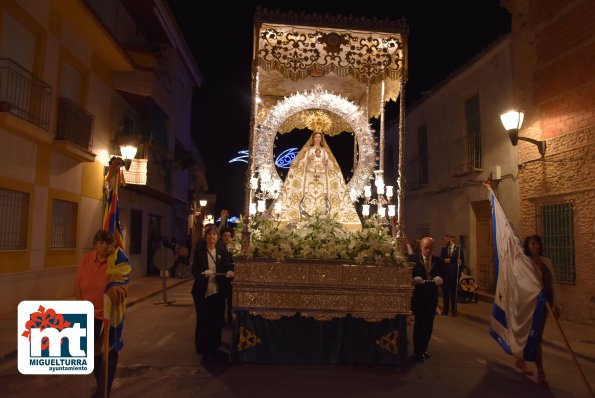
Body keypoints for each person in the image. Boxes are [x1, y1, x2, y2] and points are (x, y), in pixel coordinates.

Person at [272, 111, 360, 230]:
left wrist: (325, 165)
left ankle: (324, 216)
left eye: (319, 137)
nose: (318, 139)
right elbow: (300, 163)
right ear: (313, 139)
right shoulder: (308, 151)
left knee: (323, 197)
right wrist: (309, 162)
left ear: (321, 139)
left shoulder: (324, 151)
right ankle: (304, 216)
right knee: (307, 195)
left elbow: (331, 165)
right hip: (309, 176)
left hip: (322, 177)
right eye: (316, 137)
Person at [74, 230, 130, 398]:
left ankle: (104, 391)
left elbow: (124, 285)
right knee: (90, 355)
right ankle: (102, 386)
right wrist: (80, 307)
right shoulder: (86, 259)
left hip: (109, 317)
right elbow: (78, 283)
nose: (104, 246)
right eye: (100, 242)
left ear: (112, 245)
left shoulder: (117, 262)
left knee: (110, 352)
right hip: (89, 315)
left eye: (107, 243)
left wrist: (114, 292)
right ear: (95, 244)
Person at [514, 234, 557, 387]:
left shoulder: (546, 262)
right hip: (530, 306)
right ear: (528, 246)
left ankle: (522, 360)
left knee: (536, 336)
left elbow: (552, 284)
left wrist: (554, 304)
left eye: (537, 244)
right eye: (532, 244)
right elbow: (522, 283)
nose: (536, 246)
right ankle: (541, 372)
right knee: (531, 336)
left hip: (545, 306)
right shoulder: (524, 263)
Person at [191, 224, 235, 358]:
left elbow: (228, 266)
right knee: (203, 319)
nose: (212, 236)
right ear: (206, 236)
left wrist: (230, 272)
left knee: (217, 319)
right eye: (209, 234)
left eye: (214, 234)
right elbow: (194, 270)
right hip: (202, 291)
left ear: (217, 237)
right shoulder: (200, 251)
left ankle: (215, 345)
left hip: (218, 290)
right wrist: (203, 273)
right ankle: (203, 347)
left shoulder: (222, 251)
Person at [408, 236, 444, 361]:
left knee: (429, 324)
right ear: (421, 247)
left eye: (431, 248)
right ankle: (418, 351)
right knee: (420, 323)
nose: (428, 251)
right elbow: (406, 275)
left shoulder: (437, 261)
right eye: (426, 248)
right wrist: (413, 280)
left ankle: (424, 348)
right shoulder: (413, 259)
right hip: (418, 296)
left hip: (431, 296)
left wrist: (440, 279)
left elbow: (445, 275)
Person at [440, 234, 465, 316]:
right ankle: (446, 310)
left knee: (454, 293)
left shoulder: (459, 250)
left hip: (454, 274)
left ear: (450, 239)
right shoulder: (444, 249)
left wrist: (459, 264)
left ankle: (454, 311)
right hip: (446, 274)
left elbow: (462, 262)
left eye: (445, 240)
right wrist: (444, 261)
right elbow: (441, 260)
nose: (444, 242)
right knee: (446, 293)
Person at [218, 226, 235, 323]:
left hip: (232, 278)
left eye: (229, 236)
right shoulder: (219, 247)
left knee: (230, 300)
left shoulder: (234, 247)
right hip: (222, 277)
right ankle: (221, 319)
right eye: (225, 236)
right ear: (222, 237)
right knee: (221, 300)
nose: (227, 238)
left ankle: (230, 317)